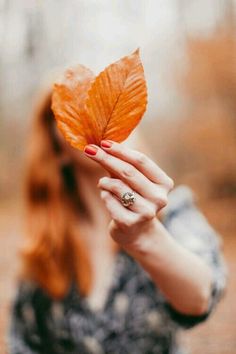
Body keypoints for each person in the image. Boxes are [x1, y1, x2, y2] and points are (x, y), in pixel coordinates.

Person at [8, 89, 228, 354]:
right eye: (79, 106)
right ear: (58, 150)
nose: (103, 110)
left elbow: (201, 296)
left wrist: (147, 238)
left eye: (107, 97)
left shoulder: (174, 212)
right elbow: (25, 342)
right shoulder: (46, 243)